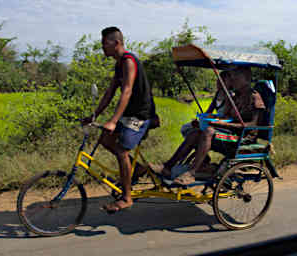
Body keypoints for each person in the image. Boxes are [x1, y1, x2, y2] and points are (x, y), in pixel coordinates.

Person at [82, 27, 156, 212]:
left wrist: (113, 121)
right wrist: (94, 115)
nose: (102, 47)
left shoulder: (129, 62)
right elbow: (109, 93)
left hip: (141, 115)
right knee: (105, 139)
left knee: (122, 150)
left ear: (116, 43)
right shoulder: (119, 65)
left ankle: (127, 197)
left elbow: (127, 91)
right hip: (129, 114)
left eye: (104, 43)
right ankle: (136, 169)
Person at [172, 66, 266, 185]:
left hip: (242, 138)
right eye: (232, 77)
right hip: (230, 133)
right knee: (195, 131)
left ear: (245, 78)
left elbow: (253, 124)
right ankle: (168, 166)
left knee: (209, 132)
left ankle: (192, 173)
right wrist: (208, 120)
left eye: (235, 77)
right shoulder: (235, 96)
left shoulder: (254, 97)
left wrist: (222, 124)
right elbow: (225, 117)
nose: (232, 80)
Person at [150, 70, 233, 179]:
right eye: (218, 80)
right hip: (216, 125)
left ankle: (193, 171)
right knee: (192, 131)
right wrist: (201, 120)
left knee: (205, 132)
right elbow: (208, 112)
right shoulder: (218, 94)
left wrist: (212, 120)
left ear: (229, 82)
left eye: (222, 80)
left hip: (226, 129)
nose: (218, 82)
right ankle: (168, 166)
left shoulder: (230, 95)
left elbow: (225, 117)